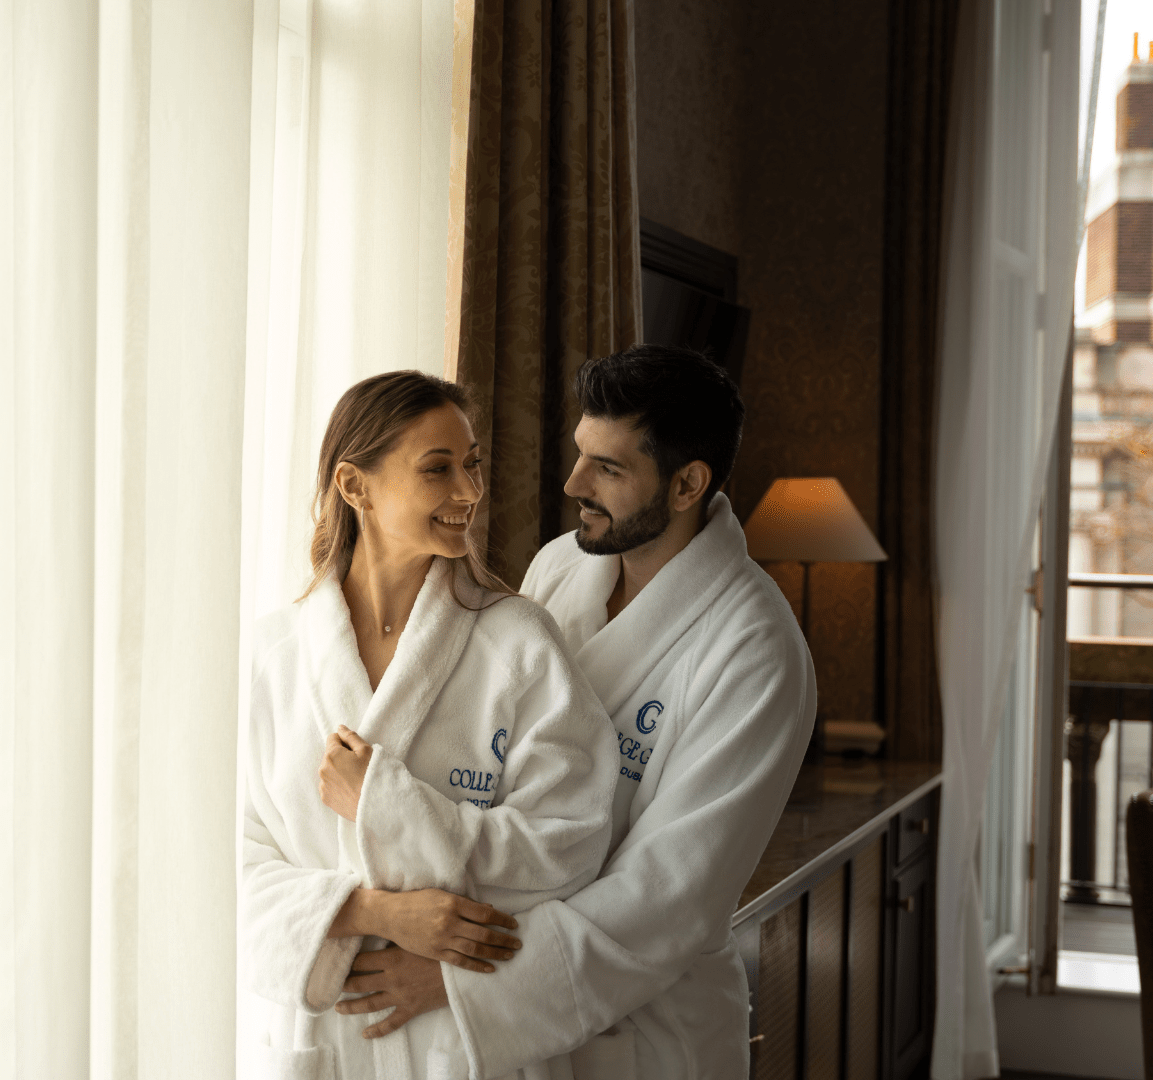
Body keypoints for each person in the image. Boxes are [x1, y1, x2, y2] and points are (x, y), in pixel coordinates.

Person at [336, 345, 818, 1078]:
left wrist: (457, 977)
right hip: (514, 1015)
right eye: (579, 455)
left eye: (609, 469)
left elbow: (668, 898)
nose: (573, 484)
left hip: (647, 1033)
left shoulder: (756, 649)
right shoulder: (562, 564)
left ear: (688, 483)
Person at [240, 371, 621, 1080]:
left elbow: (570, 842)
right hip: (327, 1039)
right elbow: (231, 866)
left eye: (472, 464)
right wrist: (373, 914)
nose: (469, 493)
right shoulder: (272, 656)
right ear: (355, 486)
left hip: (460, 1036)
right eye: (438, 469)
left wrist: (385, 805)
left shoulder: (519, 643)